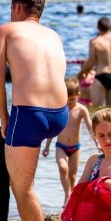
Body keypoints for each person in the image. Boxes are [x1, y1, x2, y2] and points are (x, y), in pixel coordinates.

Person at [0, 0, 68, 221]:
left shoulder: (6, 30)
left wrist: (4, 118)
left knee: (22, 187)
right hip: (60, 114)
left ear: (18, 8)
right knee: (27, 183)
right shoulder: (53, 35)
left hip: (29, 113)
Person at [41, 78, 95, 206]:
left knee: (72, 175)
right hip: (61, 146)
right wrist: (47, 147)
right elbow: (53, 129)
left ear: (78, 96)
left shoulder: (81, 110)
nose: (69, 103)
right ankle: (67, 194)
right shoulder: (60, 110)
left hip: (76, 147)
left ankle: (72, 197)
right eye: (67, 99)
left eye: (72, 99)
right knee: (63, 168)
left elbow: (90, 127)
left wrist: (97, 142)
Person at [78, 16, 111, 108]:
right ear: (110, 27)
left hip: (101, 76)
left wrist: (80, 75)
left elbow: (90, 63)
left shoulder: (95, 42)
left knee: (97, 111)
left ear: (98, 27)